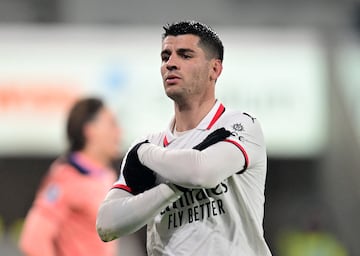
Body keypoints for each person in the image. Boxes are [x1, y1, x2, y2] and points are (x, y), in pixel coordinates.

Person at [97, 20, 272, 256]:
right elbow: (106, 225)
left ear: (215, 69)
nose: (171, 64)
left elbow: (202, 173)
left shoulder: (240, 126)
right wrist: (170, 186)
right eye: (165, 56)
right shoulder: (152, 144)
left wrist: (145, 155)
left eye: (185, 55)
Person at [19, 97, 120, 256]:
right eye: (111, 124)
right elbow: (33, 240)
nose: (118, 132)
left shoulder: (106, 174)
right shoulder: (66, 177)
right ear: (90, 130)